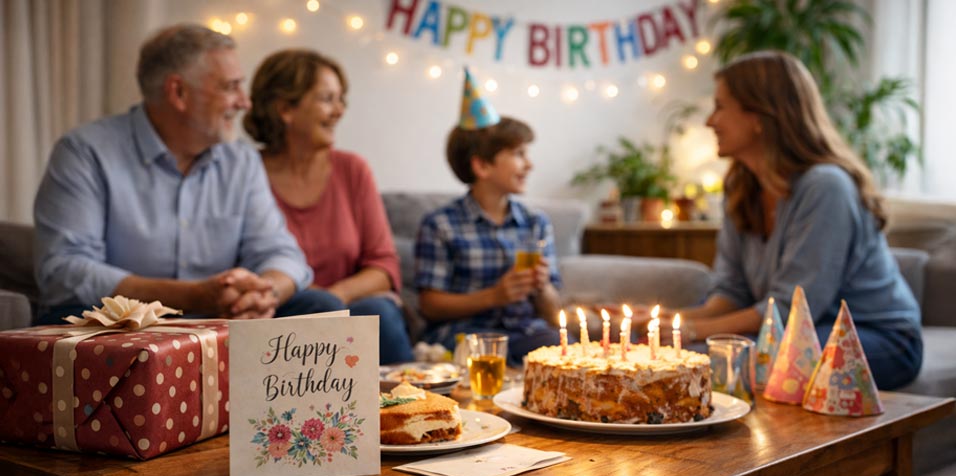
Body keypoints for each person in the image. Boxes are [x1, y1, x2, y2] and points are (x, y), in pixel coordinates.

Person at [33, 24, 326, 324]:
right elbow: (63, 270)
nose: (244, 102)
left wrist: (265, 293)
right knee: (72, 316)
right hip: (123, 327)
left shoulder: (241, 160)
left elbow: (280, 252)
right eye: (230, 87)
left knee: (323, 306)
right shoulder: (85, 152)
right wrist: (190, 297)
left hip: (224, 318)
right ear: (179, 93)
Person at [673, 51, 921, 390]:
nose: (710, 121)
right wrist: (670, 323)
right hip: (795, 329)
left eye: (720, 107)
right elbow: (732, 292)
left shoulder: (825, 186)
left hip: (878, 338)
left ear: (760, 115)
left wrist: (693, 332)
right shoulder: (740, 186)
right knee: (693, 356)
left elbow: (793, 309)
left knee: (748, 360)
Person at [242, 49, 413, 364]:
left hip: (345, 309)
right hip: (275, 314)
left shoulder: (352, 169)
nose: (339, 111)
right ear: (285, 109)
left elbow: (384, 267)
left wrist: (332, 297)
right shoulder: (244, 170)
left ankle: (419, 406)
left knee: (381, 314)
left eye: (341, 100)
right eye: (327, 99)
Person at [414, 68, 566, 366]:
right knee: (483, 359)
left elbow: (553, 313)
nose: (530, 164)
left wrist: (542, 286)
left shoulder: (536, 223)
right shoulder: (440, 225)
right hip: (465, 334)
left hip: (526, 331)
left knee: (564, 354)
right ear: (482, 166)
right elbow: (430, 306)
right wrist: (494, 295)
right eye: (519, 154)